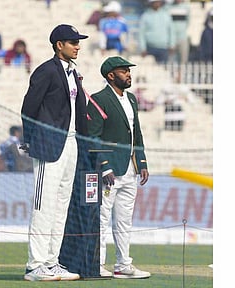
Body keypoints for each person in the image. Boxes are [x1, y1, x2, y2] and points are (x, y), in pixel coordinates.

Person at [20, 24, 89, 282]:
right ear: (59, 44)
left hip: (71, 144)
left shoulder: (74, 73)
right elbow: (29, 107)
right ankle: (34, 265)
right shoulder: (46, 70)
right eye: (72, 41)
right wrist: (30, 140)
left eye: (78, 41)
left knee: (60, 207)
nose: (77, 45)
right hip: (49, 145)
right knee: (43, 206)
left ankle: (51, 262)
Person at [86, 56, 150, 279]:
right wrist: (103, 166)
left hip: (130, 169)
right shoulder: (98, 99)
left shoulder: (131, 99)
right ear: (111, 75)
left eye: (129, 71)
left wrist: (141, 162)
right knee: (102, 218)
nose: (129, 74)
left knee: (124, 220)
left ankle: (123, 264)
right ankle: (97, 264)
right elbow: (92, 137)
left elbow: (137, 133)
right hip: (109, 171)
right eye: (124, 71)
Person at [138, 0, 175, 65]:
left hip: (163, 48)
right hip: (150, 48)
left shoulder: (166, 15)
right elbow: (141, 33)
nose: (157, 3)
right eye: (155, 2)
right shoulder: (145, 16)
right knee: (150, 71)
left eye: (158, 2)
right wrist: (142, 48)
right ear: (151, 3)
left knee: (163, 70)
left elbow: (171, 31)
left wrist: (171, 45)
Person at [167, 0, 191, 65]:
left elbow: (188, 21)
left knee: (183, 60)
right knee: (171, 60)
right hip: (171, 39)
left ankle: (182, 74)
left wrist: (181, 30)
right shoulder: (168, 7)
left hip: (183, 37)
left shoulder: (186, 7)